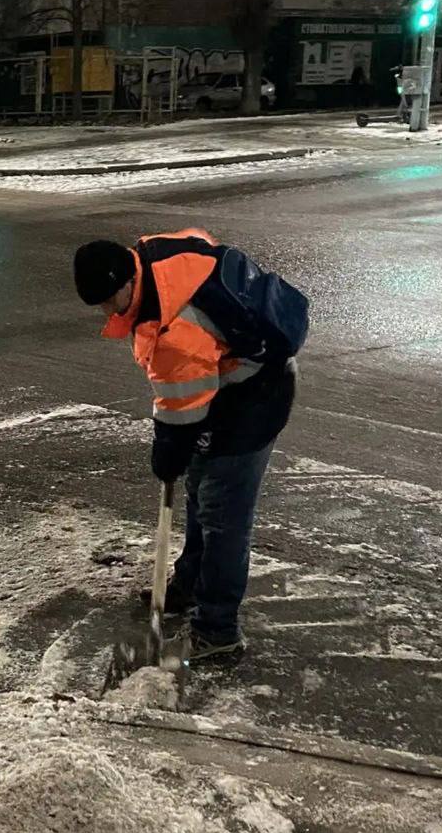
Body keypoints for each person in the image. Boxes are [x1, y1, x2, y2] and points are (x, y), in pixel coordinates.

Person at [73, 229, 300, 661]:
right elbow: (201, 241)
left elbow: (183, 407)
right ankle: (192, 584)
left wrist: (169, 452)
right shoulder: (150, 257)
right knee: (200, 489)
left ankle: (218, 630)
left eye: (107, 300)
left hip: (254, 393)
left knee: (222, 514)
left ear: (124, 281)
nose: (105, 310)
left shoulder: (173, 328)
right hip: (229, 378)